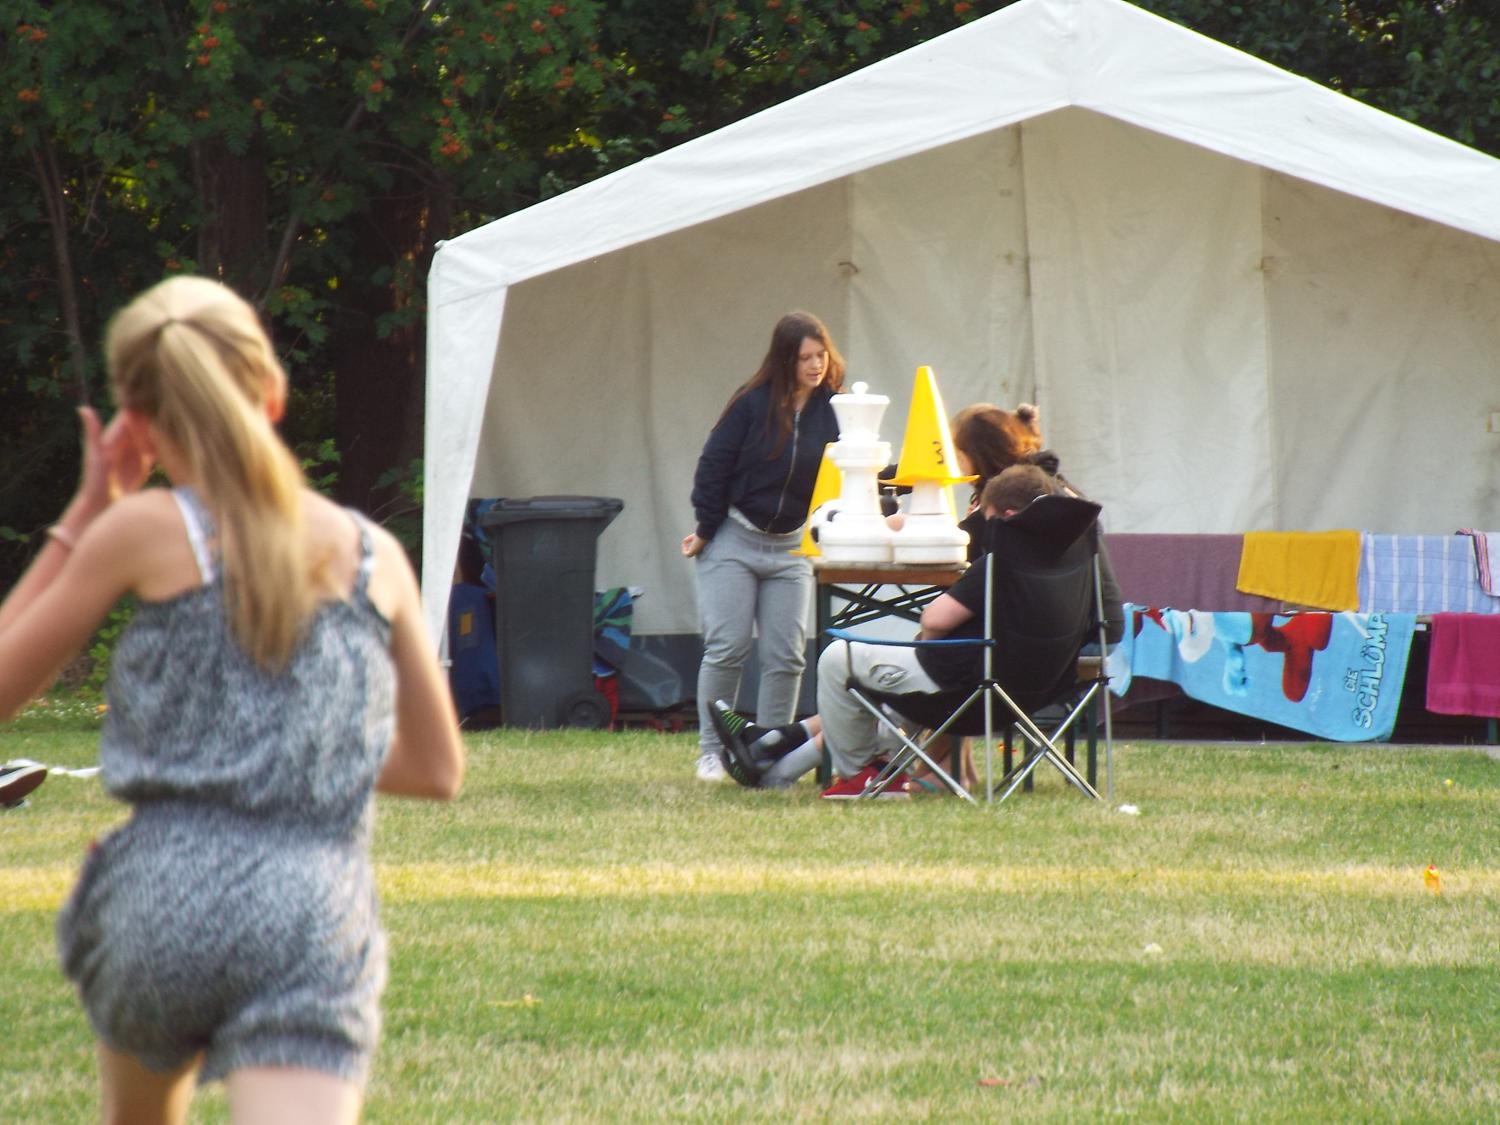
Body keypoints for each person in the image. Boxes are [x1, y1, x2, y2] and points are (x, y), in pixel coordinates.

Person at [0, 276, 465, 1125]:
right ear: (273, 393)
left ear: (140, 425)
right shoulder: (376, 557)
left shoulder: (142, 531)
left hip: (157, 897)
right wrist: (301, 749)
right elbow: (438, 769)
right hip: (310, 906)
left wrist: (85, 514)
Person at [714, 465, 1115, 797]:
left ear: (1008, 517)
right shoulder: (1078, 557)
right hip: (1036, 692)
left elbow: (935, 620)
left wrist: (933, 640)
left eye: (988, 520)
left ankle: (859, 774)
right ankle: (776, 760)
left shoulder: (1004, 562)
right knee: (890, 686)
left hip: (972, 691)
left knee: (839, 658)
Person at [683, 311, 845, 782]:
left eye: (821, 355)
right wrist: (706, 529)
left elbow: (850, 472)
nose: (815, 365)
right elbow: (713, 466)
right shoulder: (751, 404)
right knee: (727, 648)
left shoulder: (835, 410)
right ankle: (712, 752)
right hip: (734, 539)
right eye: (804, 358)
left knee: (787, 656)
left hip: (791, 547)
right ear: (785, 360)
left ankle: (768, 750)